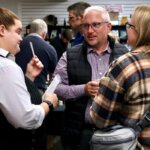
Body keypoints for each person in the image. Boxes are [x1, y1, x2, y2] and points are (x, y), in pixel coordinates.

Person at [53, 6, 129, 150]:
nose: (89, 31)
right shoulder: (70, 55)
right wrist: (83, 89)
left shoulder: (124, 55)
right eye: (86, 25)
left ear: (108, 27)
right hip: (79, 133)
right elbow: (55, 88)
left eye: (95, 25)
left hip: (116, 133)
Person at [90, 5, 150, 150]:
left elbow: (100, 120)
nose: (127, 29)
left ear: (139, 30)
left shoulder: (125, 65)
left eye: (129, 25)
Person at [0, 7, 58, 149]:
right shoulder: (6, 66)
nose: (21, 38)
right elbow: (26, 118)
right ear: (2, 30)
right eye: (18, 32)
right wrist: (49, 104)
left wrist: (29, 76)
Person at [15, 19, 57, 93]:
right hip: (38, 90)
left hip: (17, 88)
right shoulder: (50, 49)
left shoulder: (16, 44)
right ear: (44, 34)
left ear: (30, 30)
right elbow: (54, 74)